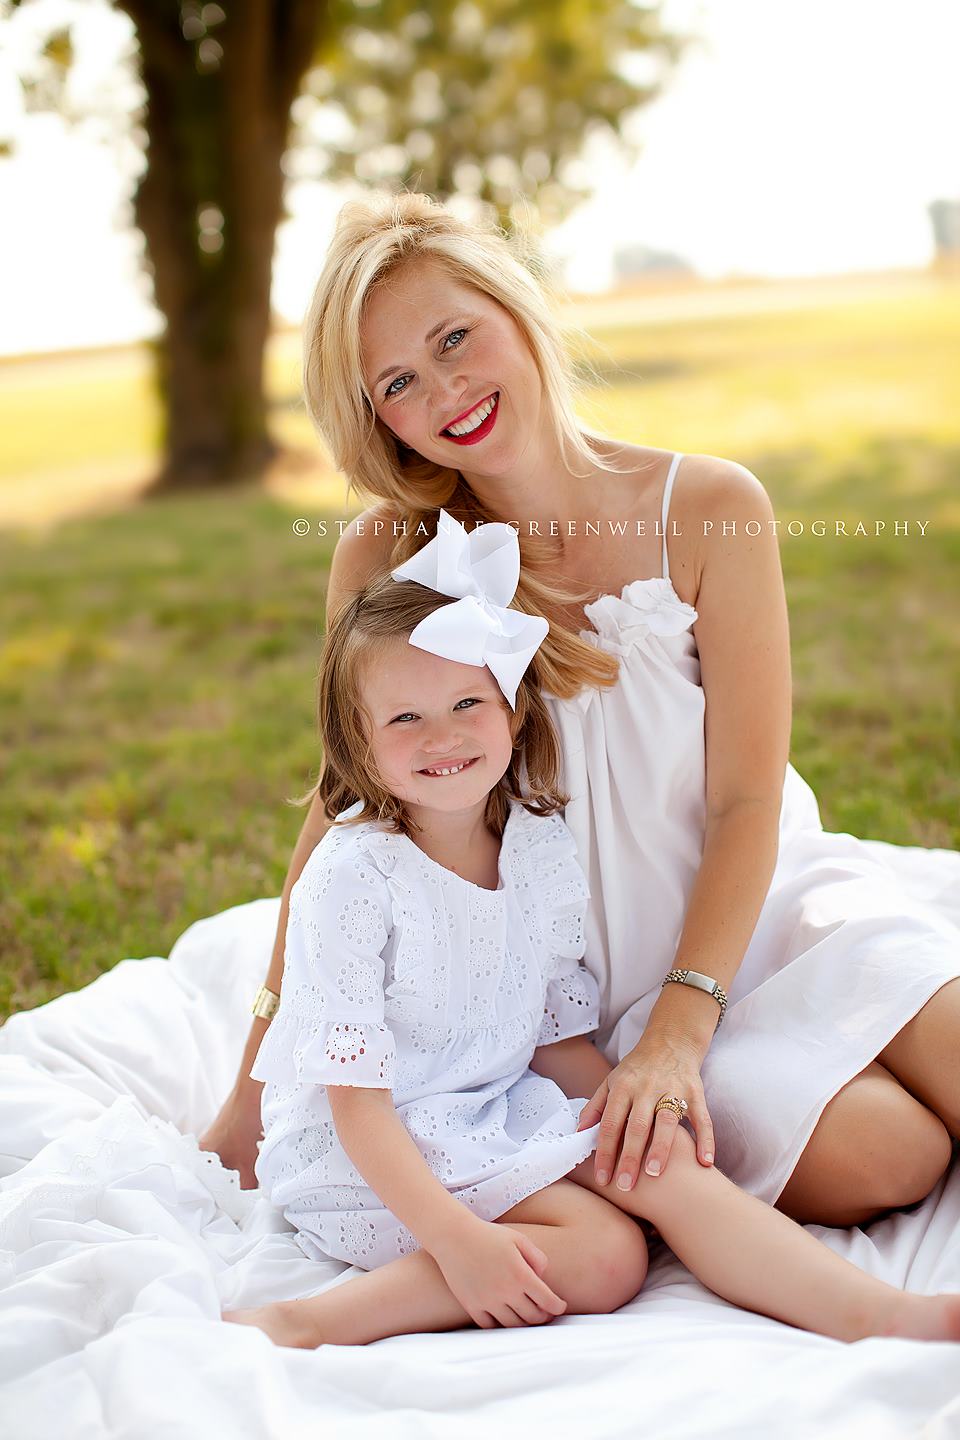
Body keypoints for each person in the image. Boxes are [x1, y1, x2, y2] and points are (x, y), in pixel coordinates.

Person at [201, 189, 960, 1232]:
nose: (446, 387)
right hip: (568, 1002)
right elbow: (347, 810)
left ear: (516, 310)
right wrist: (255, 1078)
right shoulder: (388, 559)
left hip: (749, 916)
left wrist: (683, 1030)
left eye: (456, 336)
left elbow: (746, 799)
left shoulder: (709, 508)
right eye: (398, 382)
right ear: (378, 416)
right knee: (895, 1156)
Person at [223, 523, 960, 1349]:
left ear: (510, 708)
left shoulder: (534, 843)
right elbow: (354, 1107)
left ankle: (882, 1316)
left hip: (488, 1109)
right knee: (606, 1257)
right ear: (356, 742)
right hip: (370, 1154)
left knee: (656, 1166)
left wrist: (620, 1119)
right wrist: (458, 1243)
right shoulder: (355, 876)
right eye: (405, 717)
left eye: (469, 702)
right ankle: (308, 1322)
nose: (444, 736)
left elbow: (548, 1029)